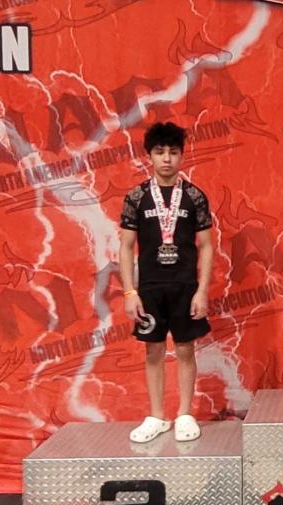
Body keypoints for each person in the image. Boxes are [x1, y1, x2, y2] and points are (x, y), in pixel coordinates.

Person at [119, 122, 214, 442]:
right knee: (153, 351)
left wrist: (202, 290)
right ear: (149, 156)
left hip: (185, 286)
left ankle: (185, 413)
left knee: (186, 349)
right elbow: (126, 247)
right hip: (149, 288)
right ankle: (157, 416)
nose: (167, 159)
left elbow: (206, 246)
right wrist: (130, 291)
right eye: (160, 152)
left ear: (182, 157)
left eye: (173, 152)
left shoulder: (194, 197)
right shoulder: (136, 197)